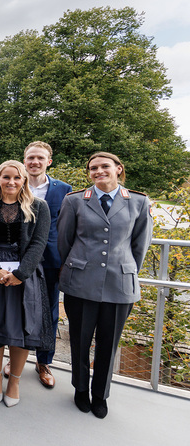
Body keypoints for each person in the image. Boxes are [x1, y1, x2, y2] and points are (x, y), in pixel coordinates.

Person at [57, 152, 152, 419]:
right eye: (93, 168)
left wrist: (126, 270)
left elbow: (139, 246)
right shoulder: (75, 200)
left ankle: (100, 395)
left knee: (109, 344)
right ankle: (80, 389)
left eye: (105, 166)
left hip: (119, 285)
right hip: (80, 283)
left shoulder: (138, 202)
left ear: (118, 169)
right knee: (79, 340)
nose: (98, 171)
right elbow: (64, 241)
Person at [0, 160, 51, 407]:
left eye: (17, 178)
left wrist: (21, 273)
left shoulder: (40, 207)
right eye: (6, 177)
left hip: (24, 276)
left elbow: (39, 244)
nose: (11, 182)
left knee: (21, 331)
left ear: (24, 180)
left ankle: (14, 381)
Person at [3, 141, 72, 387]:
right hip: (15, 260)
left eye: (40, 158)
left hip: (50, 260)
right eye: (30, 158)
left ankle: (44, 362)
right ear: (24, 160)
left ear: (48, 161)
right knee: (16, 310)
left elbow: (71, 226)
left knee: (49, 311)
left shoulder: (64, 190)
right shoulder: (14, 185)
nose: (34, 162)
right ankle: (14, 358)